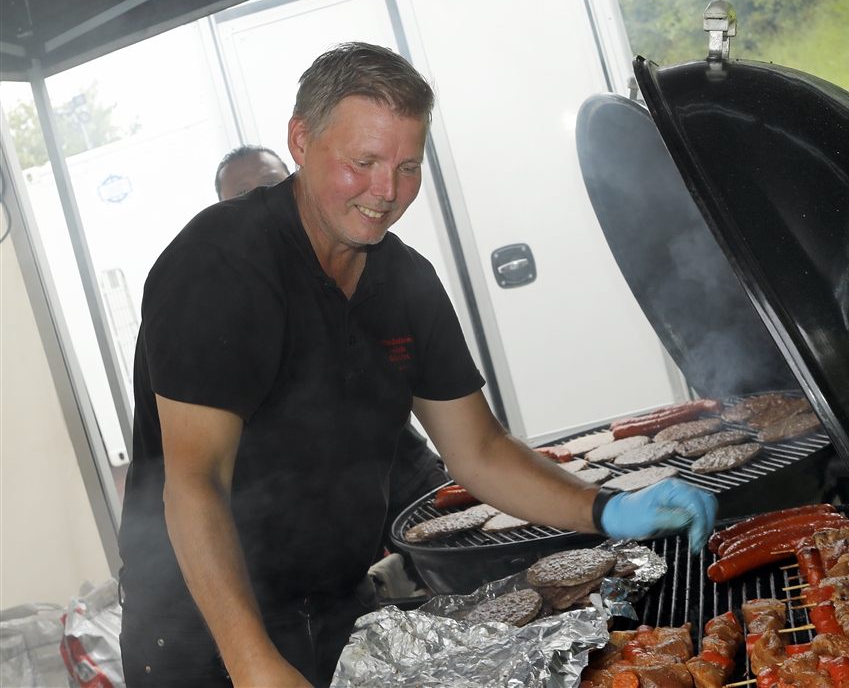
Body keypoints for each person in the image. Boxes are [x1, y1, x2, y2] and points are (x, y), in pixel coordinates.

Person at [117, 42, 717, 688]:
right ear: (300, 139)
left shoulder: (404, 282)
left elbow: (479, 450)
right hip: (204, 633)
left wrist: (606, 509)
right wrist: (253, 662)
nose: (386, 191)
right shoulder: (220, 265)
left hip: (337, 611)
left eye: (408, 166)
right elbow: (195, 483)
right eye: (363, 162)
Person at [213, 145, 452, 561]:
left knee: (458, 567)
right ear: (222, 208)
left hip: (404, 470)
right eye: (241, 191)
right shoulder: (231, 299)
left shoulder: (354, 259)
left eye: (269, 182)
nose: (258, 197)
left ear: (293, 183)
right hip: (315, 506)